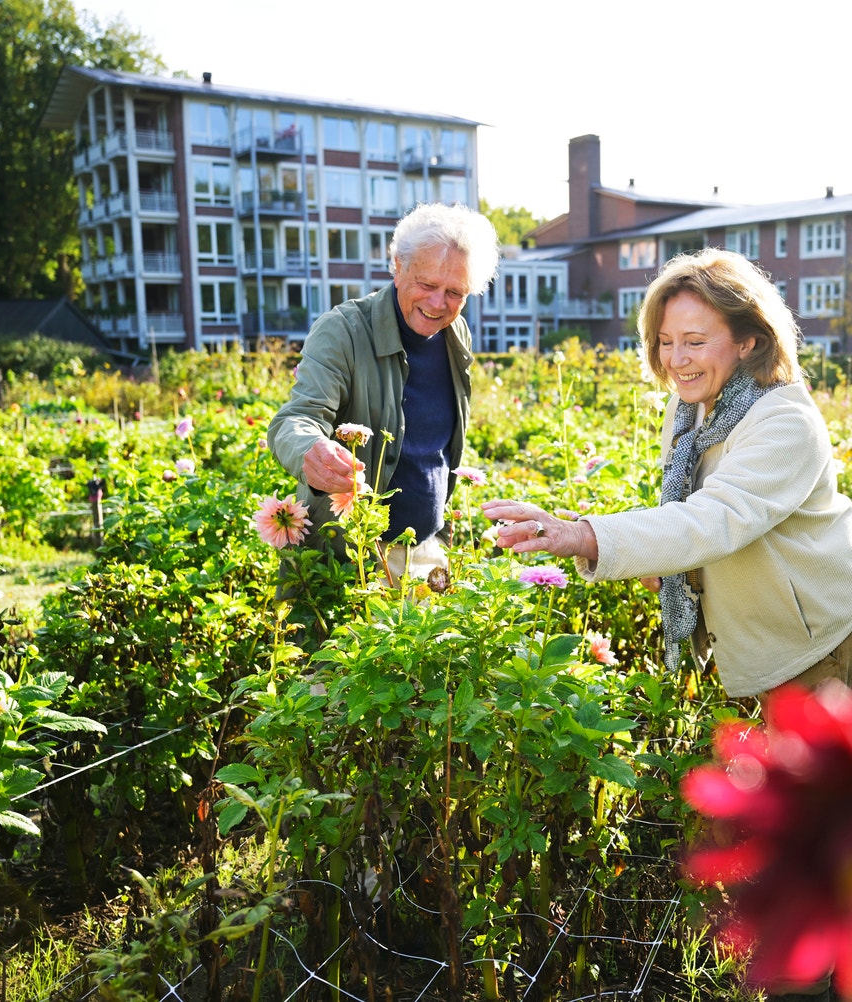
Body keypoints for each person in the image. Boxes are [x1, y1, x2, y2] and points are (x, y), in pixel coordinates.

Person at [482, 247, 852, 1002]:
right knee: (786, 851)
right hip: (767, 652)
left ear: (747, 341)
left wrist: (588, 535)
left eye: (696, 340)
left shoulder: (782, 419)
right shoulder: (695, 411)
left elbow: (716, 520)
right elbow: (693, 528)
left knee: (825, 858)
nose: (675, 359)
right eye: (665, 340)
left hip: (825, 653)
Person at [268, 201, 499, 582]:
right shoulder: (343, 330)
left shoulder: (456, 336)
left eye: (455, 292)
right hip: (353, 557)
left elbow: (440, 449)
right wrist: (311, 449)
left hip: (427, 551)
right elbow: (296, 418)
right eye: (426, 284)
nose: (438, 303)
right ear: (397, 266)